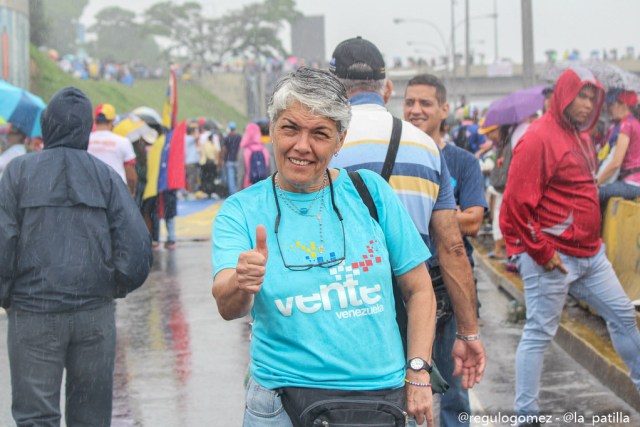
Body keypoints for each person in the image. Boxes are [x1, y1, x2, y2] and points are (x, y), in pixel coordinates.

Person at [212, 67, 436, 426]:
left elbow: (420, 289)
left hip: (382, 398)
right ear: (273, 130)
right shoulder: (240, 210)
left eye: (319, 133)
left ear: (340, 140)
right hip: (281, 403)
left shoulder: (371, 192)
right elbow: (227, 305)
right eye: (290, 129)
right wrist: (242, 280)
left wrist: (418, 372)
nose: (302, 146)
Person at [329, 36, 485, 392]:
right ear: (386, 87)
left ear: (333, 86)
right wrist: (468, 331)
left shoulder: (324, 142)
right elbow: (452, 248)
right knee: (415, 402)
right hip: (417, 311)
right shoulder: (425, 146)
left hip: (345, 311)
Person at [0, 87, 153, 427]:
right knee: (91, 418)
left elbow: (2, 241)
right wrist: (111, 288)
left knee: (36, 418)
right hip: (93, 317)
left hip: (32, 313)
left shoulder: (18, 173)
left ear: (46, 125)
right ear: (87, 129)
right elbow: (137, 249)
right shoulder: (106, 178)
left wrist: (7, 297)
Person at [501, 67, 640, 426]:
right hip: (553, 257)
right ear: (564, 94)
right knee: (539, 333)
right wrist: (543, 253)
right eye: (581, 95)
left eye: (593, 97)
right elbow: (516, 206)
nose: (588, 103)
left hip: (591, 255)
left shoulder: (583, 135)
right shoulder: (537, 138)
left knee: (624, 316)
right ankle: (525, 418)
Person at [403, 73, 487, 427]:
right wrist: (447, 214)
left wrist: (431, 213)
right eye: (409, 102)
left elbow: (474, 221)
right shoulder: (399, 154)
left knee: (455, 388)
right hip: (408, 284)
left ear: (444, 109)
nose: (416, 110)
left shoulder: (463, 162)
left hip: (452, 287)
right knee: (405, 382)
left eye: (425, 103)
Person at [596, 89, 640, 205]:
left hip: (632, 184)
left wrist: (595, 183)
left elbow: (616, 163)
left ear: (623, 104)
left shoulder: (626, 125)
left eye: (612, 105)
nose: (610, 110)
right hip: (635, 183)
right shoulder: (635, 123)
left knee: (592, 195)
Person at [88, 103, 138, 196]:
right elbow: (130, 175)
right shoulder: (123, 142)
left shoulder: (85, 140)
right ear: (112, 121)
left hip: (91, 191)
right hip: (116, 192)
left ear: (95, 120)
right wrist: (131, 191)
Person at [220, 121, 242, 196]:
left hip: (229, 160)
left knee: (231, 178)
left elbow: (224, 149)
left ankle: (232, 194)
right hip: (237, 160)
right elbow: (240, 148)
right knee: (238, 177)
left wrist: (222, 159)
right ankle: (238, 192)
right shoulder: (239, 137)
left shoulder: (227, 137)